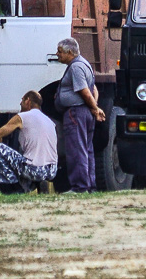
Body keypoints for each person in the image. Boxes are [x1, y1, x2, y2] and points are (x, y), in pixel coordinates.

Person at [54, 37, 105, 192]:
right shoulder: (85, 64)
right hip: (84, 113)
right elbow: (93, 89)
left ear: (70, 52)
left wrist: (95, 108)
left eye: (60, 51)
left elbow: (84, 91)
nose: (57, 54)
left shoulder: (76, 67)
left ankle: (80, 187)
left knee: (76, 150)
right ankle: (90, 186)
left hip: (75, 114)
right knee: (87, 149)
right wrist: (93, 108)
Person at [0, 90, 57, 193]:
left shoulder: (21, 117)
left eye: (22, 100)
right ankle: (38, 183)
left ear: (27, 101)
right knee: (27, 156)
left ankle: (13, 187)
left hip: (34, 170)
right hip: (51, 170)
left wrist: (0, 143)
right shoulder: (49, 121)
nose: (20, 104)